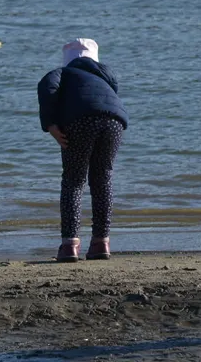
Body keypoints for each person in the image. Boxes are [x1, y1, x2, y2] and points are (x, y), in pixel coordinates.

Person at [37, 38, 129, 263]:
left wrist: (50, 124)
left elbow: (47, 86)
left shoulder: (64, 73)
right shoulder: (104, 74)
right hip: (115, 121)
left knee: (74, 181)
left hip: (79, 121)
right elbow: (113, 89)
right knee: (102, 179)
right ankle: (101, 242)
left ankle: (70, 245)